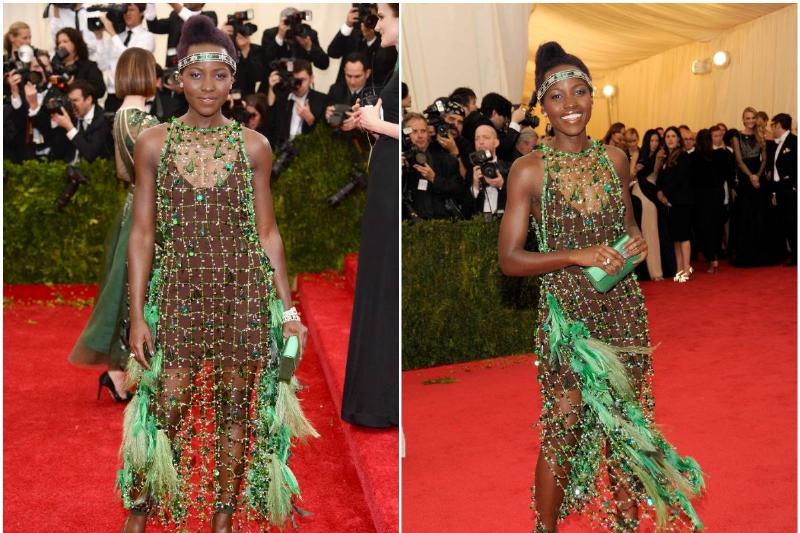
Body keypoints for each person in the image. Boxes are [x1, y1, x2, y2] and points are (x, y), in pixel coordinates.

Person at [498, 41, 704, 533]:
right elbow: (509, 260)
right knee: (564, 426)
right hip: (567, 317)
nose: (570, 105)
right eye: (557, 97)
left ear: (593, 98)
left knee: (626, 424)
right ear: (543, 108)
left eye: (580, 93)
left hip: (623, 308)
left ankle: (627, 523)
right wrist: (575, 255)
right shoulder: (529, 170)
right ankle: (543, 528)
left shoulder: (616, 159)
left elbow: (630, 226)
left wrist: (635, 246)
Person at [118, 15, 315, 532]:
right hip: (180, 294)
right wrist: (138, 316)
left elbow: (268, 234)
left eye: (220, 75)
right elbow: (141, 235)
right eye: (197, 75)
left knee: (235, 411)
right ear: (177, 78)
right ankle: (139, 514)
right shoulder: (153, 144)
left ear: (233, 80)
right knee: (165, 411)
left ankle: (223, 520)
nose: (208, 87)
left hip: (244, 297)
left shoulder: (254, 147)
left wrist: (288, 310)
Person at [68, 47, 160, 402]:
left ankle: (120, 372)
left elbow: (123, 172)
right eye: (152, 71)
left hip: (132, 205)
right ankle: (122, 371)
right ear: (144, 74)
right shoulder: (145, 122)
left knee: (127, 288)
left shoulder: (119, 116)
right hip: (147, 211)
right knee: (135, 290)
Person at [342, 2, 399, 428]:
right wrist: (371, 120)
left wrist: (377, 126)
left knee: (385, 283)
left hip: (389, 191)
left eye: (383, 16)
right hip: (382, 186)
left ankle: (382, 402)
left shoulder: (404, 66)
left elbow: (407, 132)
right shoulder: (394, 65)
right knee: (378, 280)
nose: (377, 24)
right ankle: (375, 399)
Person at [729, 106, 779, 266]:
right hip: (745, 179)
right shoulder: (737, 136)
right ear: (743, 119)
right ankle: (746, 255)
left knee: (761, 216)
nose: (750, 121)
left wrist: (757, 175)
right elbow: (738, 159)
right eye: (747, 118)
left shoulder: (760, 135)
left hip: (759, 178)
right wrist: (750, 176)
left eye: (752, 118)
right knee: (746, 216)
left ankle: (762, 254)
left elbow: (764, 158)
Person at [31, 79, 112, 163]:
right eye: (70, 100)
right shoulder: (71, 113)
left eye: (75, 100)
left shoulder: (102, 120)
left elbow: (90, 154)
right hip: (67, 166)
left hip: (94, 171)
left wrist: (69, 127)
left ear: (89, 99)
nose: (72, 105)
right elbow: (56, 144)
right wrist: (55, 116)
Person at [93, 4, 156, 113]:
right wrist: (99, 38)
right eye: (125, 11)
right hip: (112, 95)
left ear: (142, 12)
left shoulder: (147, 37)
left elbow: (132, 60)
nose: (127, 14)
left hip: (134, 95)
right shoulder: (117, 37)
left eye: (131, 10)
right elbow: (101, 65)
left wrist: (112, 33)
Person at [402, 112, 462, 219]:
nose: (420, 135)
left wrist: (434, 178)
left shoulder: (446, 160)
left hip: (442, 221)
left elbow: (458, 190)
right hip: (411, 224)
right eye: (414, 131)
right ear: (406, 134)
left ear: (429, 134)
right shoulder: (400, 161)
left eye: (423, 131)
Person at [689, 129, 733, 273]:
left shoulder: (692, 157)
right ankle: (714, 257)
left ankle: (711, 258)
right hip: (717, 195)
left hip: (701, 198)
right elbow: (728, 174)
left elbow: (691, 180)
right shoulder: (722, 155)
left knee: (704, 229)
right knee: (716, 227)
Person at [655, 126, 693, 281]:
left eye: (673, 136)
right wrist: (660, 192)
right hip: (670, 203)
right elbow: (661, 180)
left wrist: (666, 195)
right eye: (668, 136)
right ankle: (679, 269)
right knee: (675, 238)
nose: (670, 139)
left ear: (678, 140)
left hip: (681, 202)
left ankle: (686, 268)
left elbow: (679, 180)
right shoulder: (665, 157)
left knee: (683, 237)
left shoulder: (683, 156)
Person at [327, 4, 397, 89]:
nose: (367, 19)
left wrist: (371, 40)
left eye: (372, 17)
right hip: (344, 92)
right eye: (364, 15)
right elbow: (332, 52)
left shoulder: (385, 37)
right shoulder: (353, 32)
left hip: (372, 90)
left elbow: (383, 65)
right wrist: (347, 26)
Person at [264, 58, 327, 146]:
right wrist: (272, 89)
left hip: (307, 152)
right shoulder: (283, 98)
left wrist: (310, 120)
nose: (298, 85)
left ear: (311, 79)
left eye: (302, 80)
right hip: (281, 151)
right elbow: (269, 127)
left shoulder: (321, 100)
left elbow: (323, 138)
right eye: (294, 80)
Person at [631, 129, 667, 281]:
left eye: (656, 141)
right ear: (646, 141)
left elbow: (656, 176)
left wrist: (659, 160)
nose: (654, 144)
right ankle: (650, 271)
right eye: (651, 141)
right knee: (645, 232)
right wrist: (635, 168)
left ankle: (656, 270)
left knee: (653, 232)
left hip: (653, 193)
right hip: (640, 193)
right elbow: (631, 174)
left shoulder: (661, 155)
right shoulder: (638, 155)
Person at [261, 7, 330, 77]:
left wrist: (309, 47)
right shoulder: (270, 34)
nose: (291, 27)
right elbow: (265, 63)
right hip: (276, 80)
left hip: (300, 82)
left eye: (295, 23)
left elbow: (324, 64)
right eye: (287, 23)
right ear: (280, 23)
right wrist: (279, 38)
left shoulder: (308, 34)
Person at [145, 2, 218, 67]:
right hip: (173, 68)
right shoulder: (175, 16)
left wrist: (174, 4)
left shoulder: (210, 16)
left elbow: (196, 23)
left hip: (196, 68)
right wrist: (150, 3)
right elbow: (154, 27)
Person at [770, 113, 797, 265]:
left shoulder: (794, 142)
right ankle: (791, 254)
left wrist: (794, 187)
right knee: (786, 223)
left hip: (790, 190)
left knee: (792, 223)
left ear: (779, 125)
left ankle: (795, 256)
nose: (771, 129)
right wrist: (774, 191)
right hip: (780, 189)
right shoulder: (777, 143)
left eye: (772, 125)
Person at [468, 124, 510, 217]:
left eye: (485, 137)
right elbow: (466, 208)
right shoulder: (472, 170)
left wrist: (501, 185)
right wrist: (475, 186)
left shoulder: (509, 168)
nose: (480, 142)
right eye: (477, 138)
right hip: (480, 223)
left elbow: (519, 197)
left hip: (504, 220)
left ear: (496, 142)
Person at [53, 27, 106, 99]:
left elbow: (100, 90)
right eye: (59, 43)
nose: (61, 45)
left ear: (75, 43)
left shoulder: (89, 66)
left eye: (65, 41)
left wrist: (76, 86)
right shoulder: (56, 68)